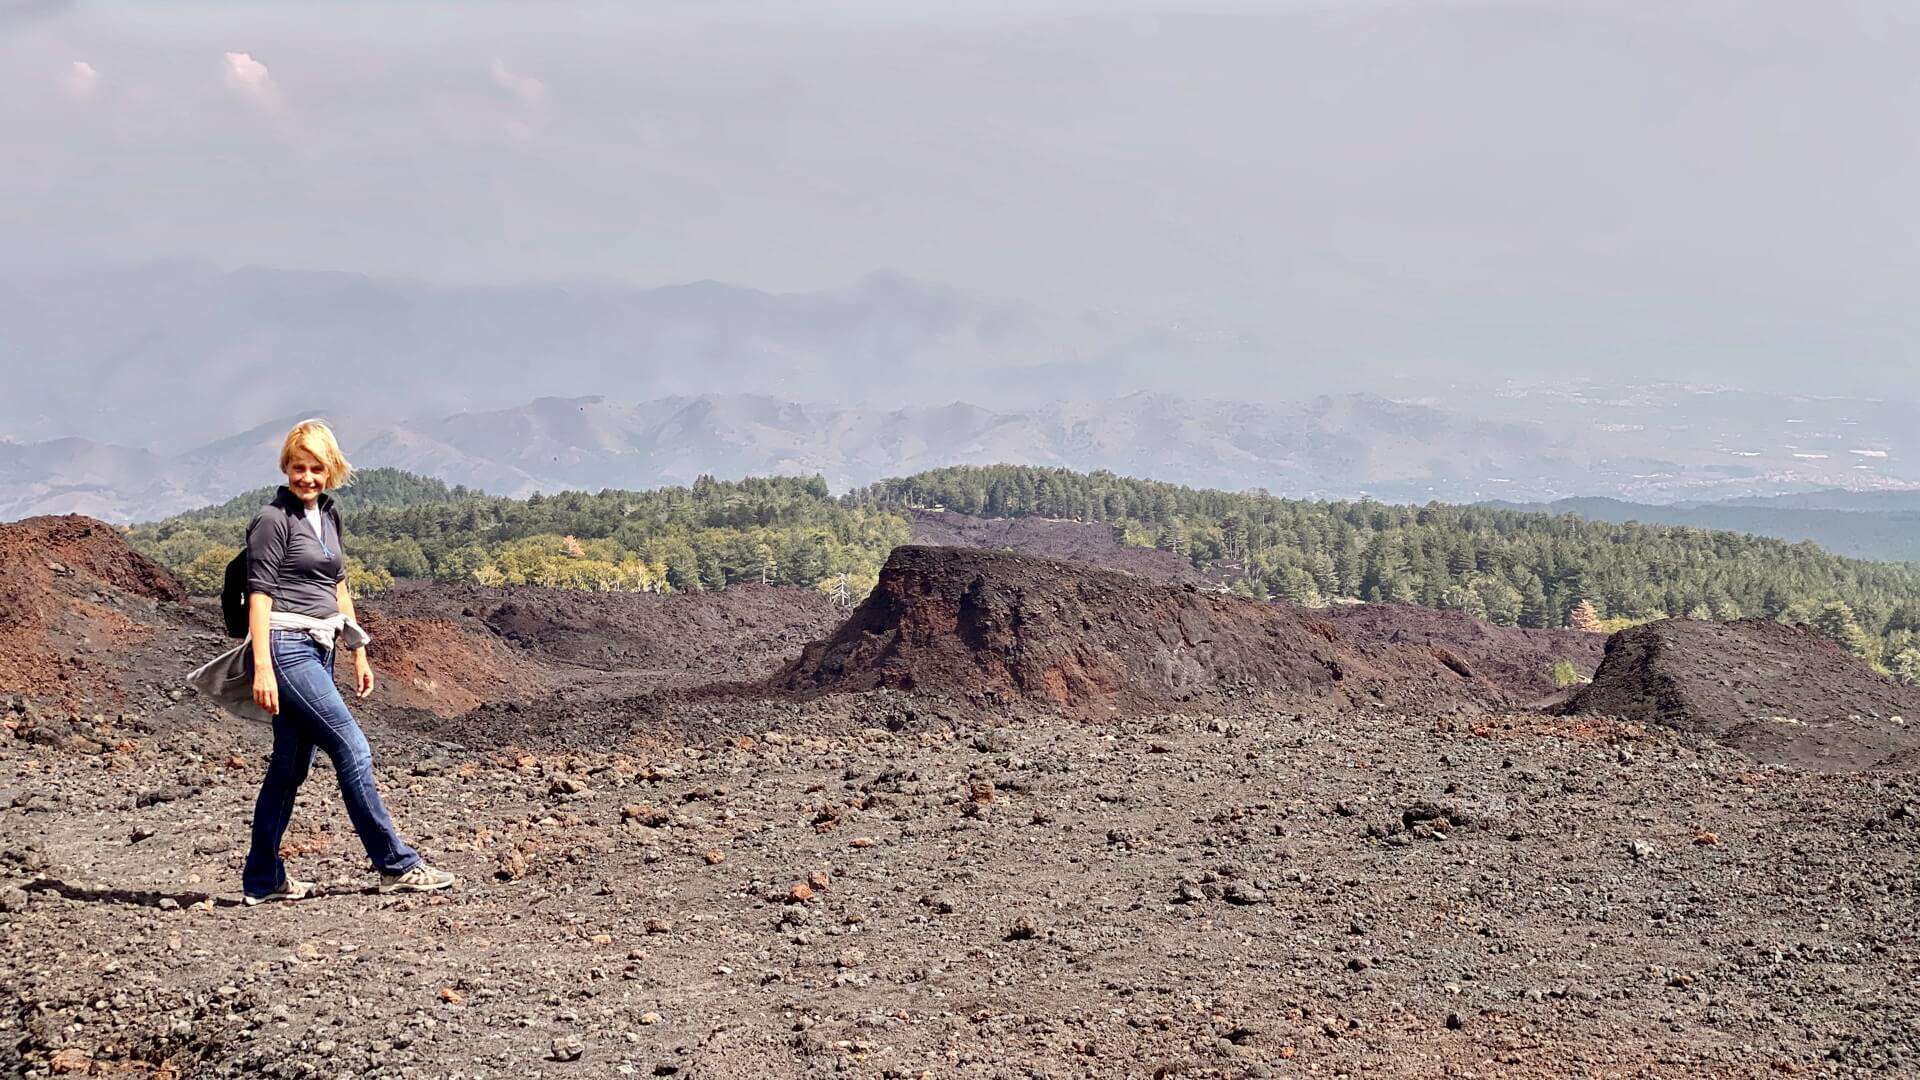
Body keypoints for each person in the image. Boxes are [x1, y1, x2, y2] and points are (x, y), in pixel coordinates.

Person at [238, 419, 455, 904]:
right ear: (285, 468)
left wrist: (358, 649)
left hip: (320, 646)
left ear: (331, 469)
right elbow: (259, 597)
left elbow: (337, 587)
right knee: (352, 748)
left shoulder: (328, 516)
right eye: (298, 467)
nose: (307, 477)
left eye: (316, 468)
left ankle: (263, 877)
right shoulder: (274, 521)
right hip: (284, 647)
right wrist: (263, 666)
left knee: (289, 768)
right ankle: (395, 865)